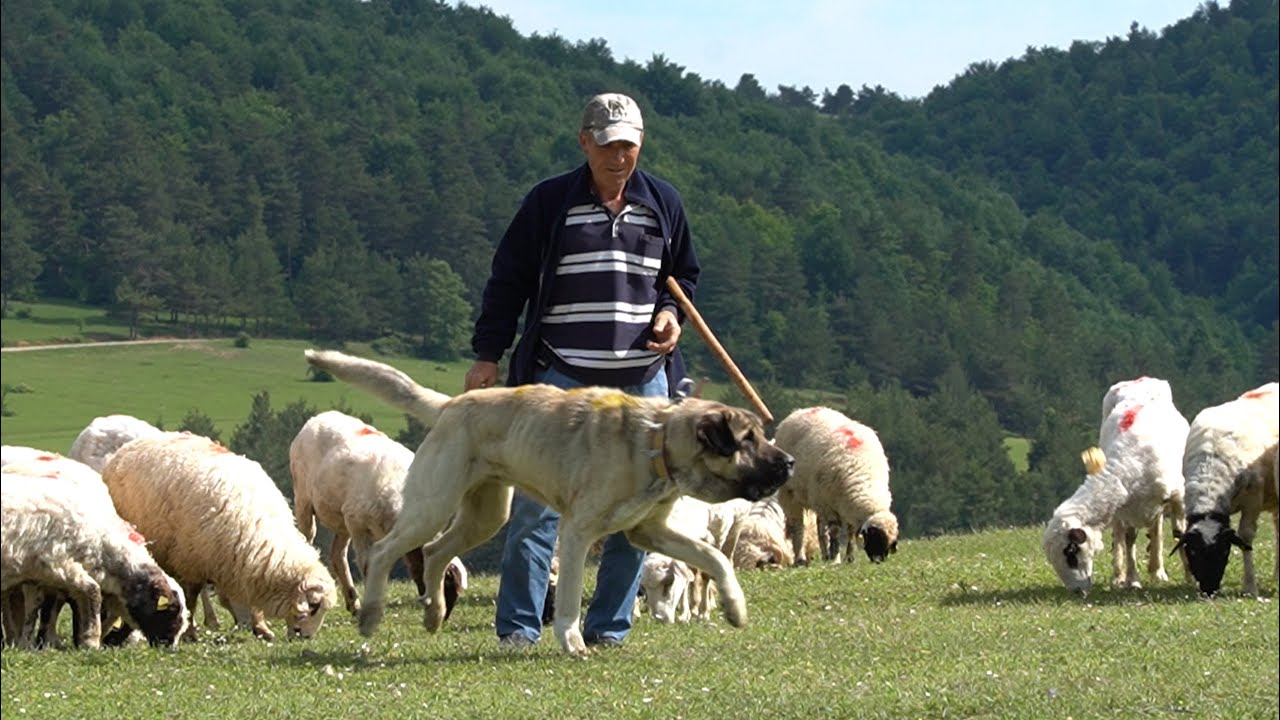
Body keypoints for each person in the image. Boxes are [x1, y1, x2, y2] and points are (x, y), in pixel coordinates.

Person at [464, 92, 701, 648]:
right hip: (561, 378)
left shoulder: (663, 203)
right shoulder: (550, 203)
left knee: (638, 507)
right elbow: (509, 281)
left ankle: (608, 632)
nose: (620, 157)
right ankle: (519, 632)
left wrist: (671, 315)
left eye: (630, 145)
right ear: (585, 142)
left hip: (644, 381)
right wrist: (487, 354)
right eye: (609, 144)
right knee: (537, 505)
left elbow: (682, 276)